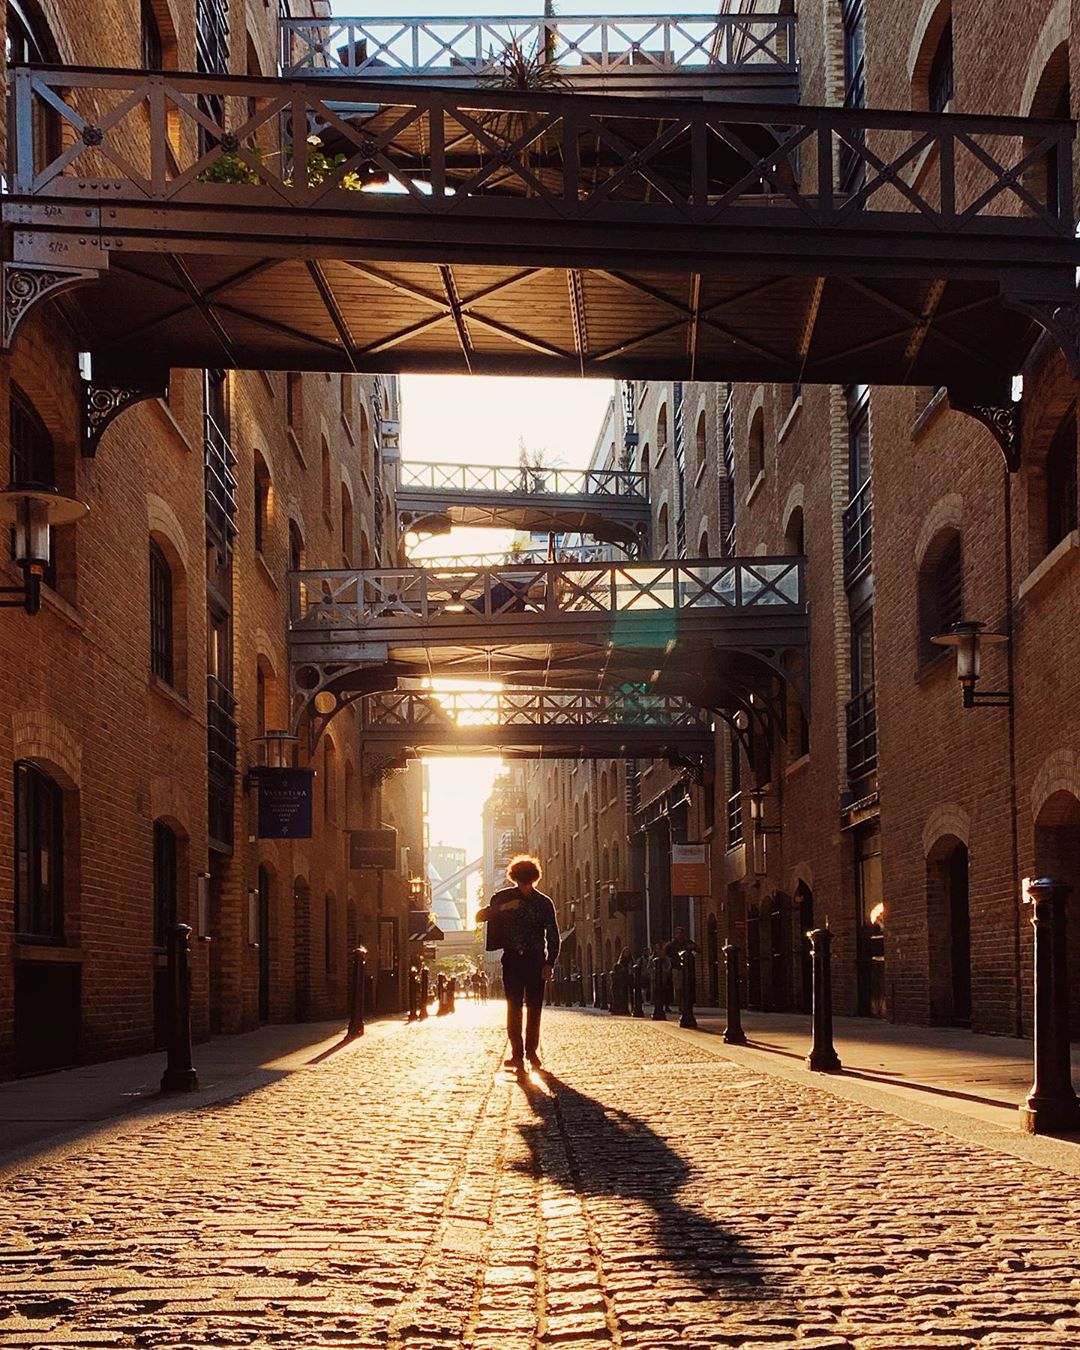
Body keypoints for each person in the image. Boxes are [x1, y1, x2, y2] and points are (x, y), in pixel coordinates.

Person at [475, 853, 559, 1071]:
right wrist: (504, 908)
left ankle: (529, 1052)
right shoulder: (502, 898)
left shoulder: (543, 903)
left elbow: (553, 934)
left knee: (531, 1007)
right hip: (514, 959)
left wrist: (549, 962)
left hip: (534, 960)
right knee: (517, 1008)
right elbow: (480, 916)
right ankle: (519, 1054)